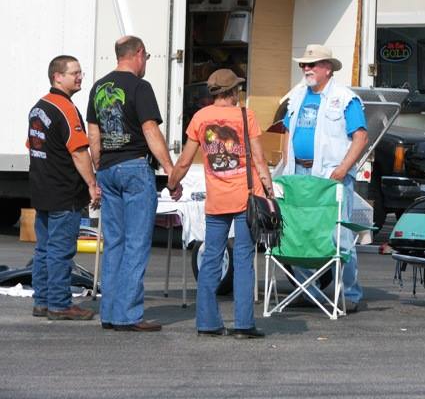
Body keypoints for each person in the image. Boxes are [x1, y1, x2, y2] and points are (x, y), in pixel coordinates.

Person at [167, 69, 273, 339]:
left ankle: (207, 323)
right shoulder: (246, 116)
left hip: (217, 199)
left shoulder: (200, 118)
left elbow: (184, 161)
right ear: (232, 91)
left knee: (212, 258)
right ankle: (243, 324)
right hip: (246, 197)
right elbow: (259, 160)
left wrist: (173, 184)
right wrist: (269, 192)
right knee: (243, 258)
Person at [86, 36, 180, 332]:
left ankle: (110, 313)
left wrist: (98, 169)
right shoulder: (140, 87)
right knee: (136, 243)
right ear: (138, 53)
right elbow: (150, 130)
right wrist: (170, 170)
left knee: (114, 242)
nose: (146, 62)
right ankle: (128, 315)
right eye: (146, 57)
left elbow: (93, 134)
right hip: (135, 168)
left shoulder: (98, 87)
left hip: (108, 169)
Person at [282, 44, 369, 313]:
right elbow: (286, 130)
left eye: (312, 64)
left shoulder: (345, 98)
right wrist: (286, 163)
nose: (306, 69)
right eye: (303, 65)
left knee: (339, 235)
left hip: (331, 175)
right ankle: (309, 291)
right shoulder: (297, 96)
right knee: (299, 233)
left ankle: (350, 293)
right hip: (299, 173)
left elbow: (361, 137)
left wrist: (343, 169)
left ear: (327, 68)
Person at [27, 55, 100, 320]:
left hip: (42, 188)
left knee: (44, 248)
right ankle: (59, 304)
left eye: (80, 73)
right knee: (61, 250)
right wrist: (92, 184)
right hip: (63, 190)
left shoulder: (38, 108)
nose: (80, 77)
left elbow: (33, 146)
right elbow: (79, 152)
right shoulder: (65, 108)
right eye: (74, 73)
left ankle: (42, 301)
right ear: (57, 77)